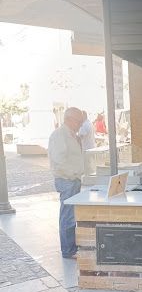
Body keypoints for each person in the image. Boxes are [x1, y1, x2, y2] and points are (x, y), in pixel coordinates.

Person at [48, 107, 84, 259]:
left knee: (71, 215)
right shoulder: (59, 135)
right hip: (67, 180)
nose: (81, 124)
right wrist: (72, 174)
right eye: (79, 121)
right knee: (67, 216)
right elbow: (59, 161)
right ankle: (68, 250)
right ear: (69, 119)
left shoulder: (71, 135)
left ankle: (72, 247)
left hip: (73, 179)